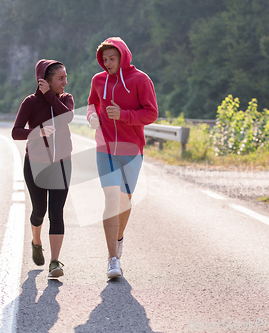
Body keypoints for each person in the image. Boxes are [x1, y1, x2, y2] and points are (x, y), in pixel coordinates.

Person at [87, 37, 158, 278]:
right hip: (104, 148)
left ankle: (118, 238)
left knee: (125, 201)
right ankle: (112, 259)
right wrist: (92, 117)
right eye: (104, 59)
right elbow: (92, 104)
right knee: (110, 199)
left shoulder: (140, 80)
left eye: (112, 58)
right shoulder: (98, 80)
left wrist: (124, 115)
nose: (107, 63)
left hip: (131, 149)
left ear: (123, 56)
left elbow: (151, 113)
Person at [12, 59, 74, 277]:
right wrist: (36, 132)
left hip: (62, 164)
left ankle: (55, 262)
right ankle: (36, 242)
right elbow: (16, 131)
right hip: (36, 165)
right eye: (61, 78)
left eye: (65, 77)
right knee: (40, 211)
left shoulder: (66, 100)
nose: (65, 82)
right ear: (45, 81)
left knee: (56, 213)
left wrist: (50, 95)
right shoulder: (30, 102)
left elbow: (66, 117)